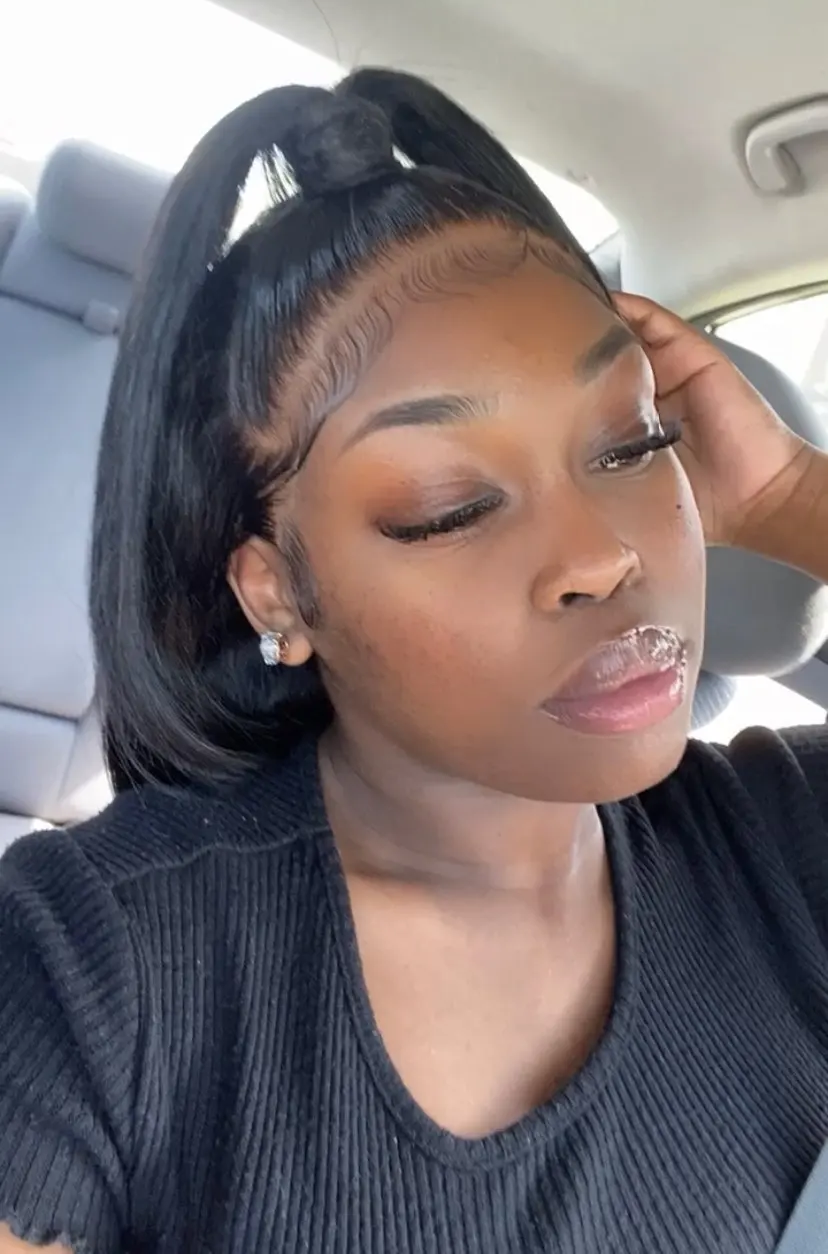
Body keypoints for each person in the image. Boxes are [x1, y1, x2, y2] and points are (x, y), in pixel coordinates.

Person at [0, 71, 826, 1254]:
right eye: (448, 508)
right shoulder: (95, 962)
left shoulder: (786, 844)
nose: (601, 555)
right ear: (278, 592)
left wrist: (791, 493)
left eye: (632, 441)